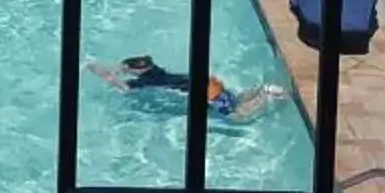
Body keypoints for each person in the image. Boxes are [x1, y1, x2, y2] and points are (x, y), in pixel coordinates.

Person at [89, 57, 291, 123]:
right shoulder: (158, 71)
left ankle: (266, 95)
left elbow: (114, 81)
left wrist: (94, 68)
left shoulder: (143, 83)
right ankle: (261, 89)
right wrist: (122, 67)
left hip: (206, 93)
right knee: (234, 99)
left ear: (134, 71)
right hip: (209, 82)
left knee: (235, 116)